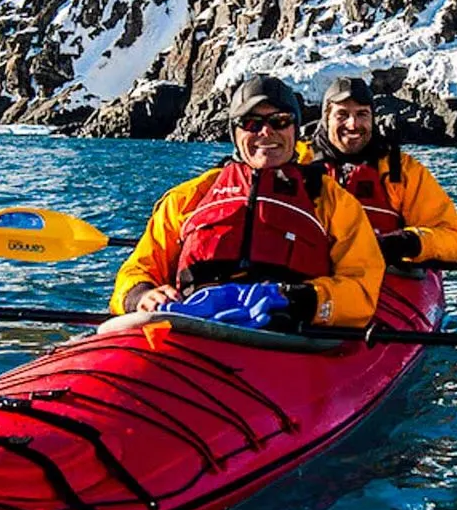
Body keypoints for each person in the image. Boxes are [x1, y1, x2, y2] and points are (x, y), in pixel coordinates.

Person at [111, 74, 386, 330]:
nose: (266, 133)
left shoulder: (333, 202)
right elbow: (138, 269)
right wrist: (141, 295)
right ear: (235, 133)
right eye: (251, 123)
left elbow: (361, 287)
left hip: (289, 332)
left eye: (279, 121)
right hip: (191, 324)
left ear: (295, 129)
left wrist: (300, 300)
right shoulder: (187, 199)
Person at [300, 76, 457, 266]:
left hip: (384, 276)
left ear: (373, 119)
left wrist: (408, 242)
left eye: (362, 114)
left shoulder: (402, 170)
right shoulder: (299, 162)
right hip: (312, 276)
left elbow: (453, 236)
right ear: (326, 119)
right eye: (342, 115)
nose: (353, 124)